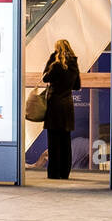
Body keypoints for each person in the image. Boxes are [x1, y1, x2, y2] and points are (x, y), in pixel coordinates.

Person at [43, 39, 81, 180]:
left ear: (56, 49)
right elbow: (77, 85)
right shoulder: (74, 64)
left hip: (54, 105)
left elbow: (45, 77)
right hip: (67, 106)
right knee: (66, 142)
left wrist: (51, 58)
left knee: (54, 142)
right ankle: (65, 173)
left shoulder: (56, 64)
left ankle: (54, 174)